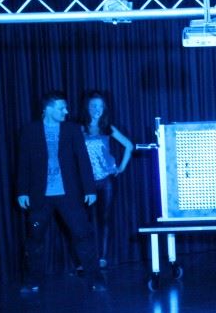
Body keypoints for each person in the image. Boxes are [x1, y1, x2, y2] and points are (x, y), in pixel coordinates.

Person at [17, 90, 104, 292]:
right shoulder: (30, 130)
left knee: (83, 235)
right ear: (48, 109)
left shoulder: (72, 130)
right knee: (35, 238)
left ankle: (95, 279)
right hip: (40, 195)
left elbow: (83, 160)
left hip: (69, 194)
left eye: (65, 107)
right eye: (61, 108)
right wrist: (22, 191)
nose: (66, 111)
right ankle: (32, 281)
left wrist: (89, 189)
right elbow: (23, 162)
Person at [80, 91, 133, 268]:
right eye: (93, 106)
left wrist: (121, 167)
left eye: (100, 106)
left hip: (106, 180)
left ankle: (102, 257)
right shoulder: (80, 129)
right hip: (86, 181)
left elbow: (129, 145)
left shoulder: (108, 128)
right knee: (87, 220)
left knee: (104, 219)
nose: (97, 109)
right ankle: (88, 258)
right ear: (87, 107)